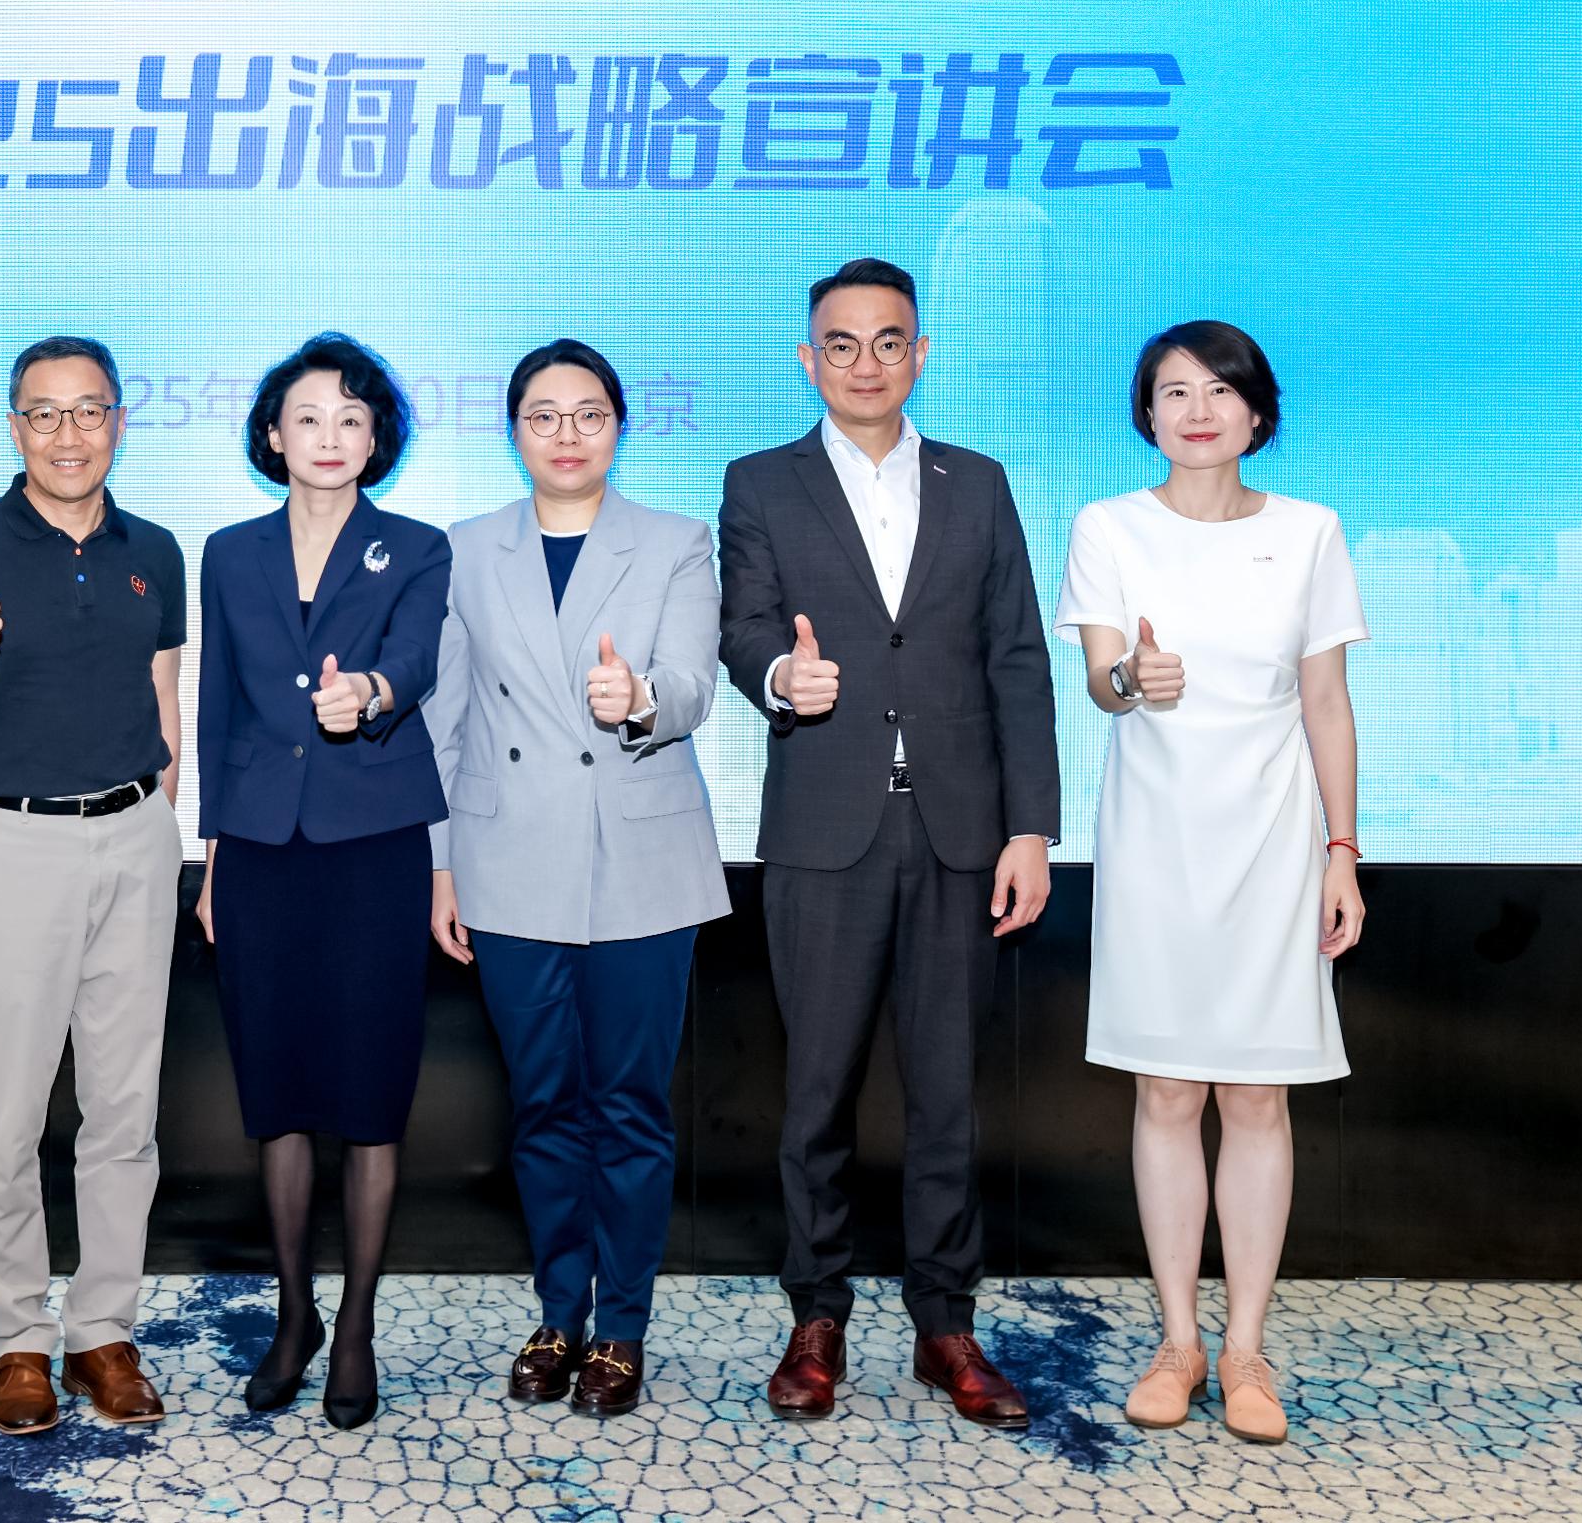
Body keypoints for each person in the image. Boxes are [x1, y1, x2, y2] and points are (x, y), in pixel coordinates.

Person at [718, 256, 1059, 1430]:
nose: (865, 362)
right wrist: (781, 674)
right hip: (824, 827)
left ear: (921, 354)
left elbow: (1017, 657)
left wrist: (1029, 826)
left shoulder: (979, 482)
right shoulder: (759, 481)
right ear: (806, 359)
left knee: (946, 1098)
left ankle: (944, 1325)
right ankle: (815, 1318)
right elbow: (742, 625)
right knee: (815, 1092)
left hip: (960, 832)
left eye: (887, 340)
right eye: (841, 342)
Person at [1056, 321, 1367, 1447]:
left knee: (1257, 1097)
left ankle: (1245, 1350)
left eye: (1219, 390)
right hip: (1155, 845)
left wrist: (1342, 851)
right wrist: (1131, 676)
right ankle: (1177, 1341)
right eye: (1173, 391)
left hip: (1273, 844)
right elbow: (1099, 680)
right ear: (1145, 414)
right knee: (1166, 1094)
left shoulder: (1308, 531)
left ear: (1256, 411)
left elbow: (1324, 702)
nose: (1197, 410)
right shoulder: (1108, 526)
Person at [424, 339, 729, 1418]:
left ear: (618, 426)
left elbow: (693, 684)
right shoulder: (465, 550)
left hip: (641, 856)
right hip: (507, 857)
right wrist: (440, 861)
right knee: (544, 1102)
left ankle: (623, 1327)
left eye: (588, 413)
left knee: (631, 1107)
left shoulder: (676, 541)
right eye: (543, 416)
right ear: (514, 431)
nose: (566, 434)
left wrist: (637, 698)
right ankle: (559, 1312)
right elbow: (445, 718)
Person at [0, 336, 188, 1438]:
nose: (69, 434)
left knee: (123, 1111)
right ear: (15, 426)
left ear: (118, 421)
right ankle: (15, 1337)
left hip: (135, 839)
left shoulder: (155, 549)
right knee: (9, 1111)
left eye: (89, 411)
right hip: (12, 842)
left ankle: (103, 1331)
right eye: (45, 413)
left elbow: (164, 703)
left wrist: (165, 825)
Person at [194, 333, 453, 1429]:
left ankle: (354, 1330)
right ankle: (293, 1315)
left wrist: (371, 695)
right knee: (280, 1090)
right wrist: (213, 857)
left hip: (373, 843)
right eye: (308, 418)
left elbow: (416, 660)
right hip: (259, 851)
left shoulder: (418, 547)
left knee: (369, 1093)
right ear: (273, 434)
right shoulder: (229, 552)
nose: (330, 436)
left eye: (351, 418)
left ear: (375, 435)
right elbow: (217, 709)